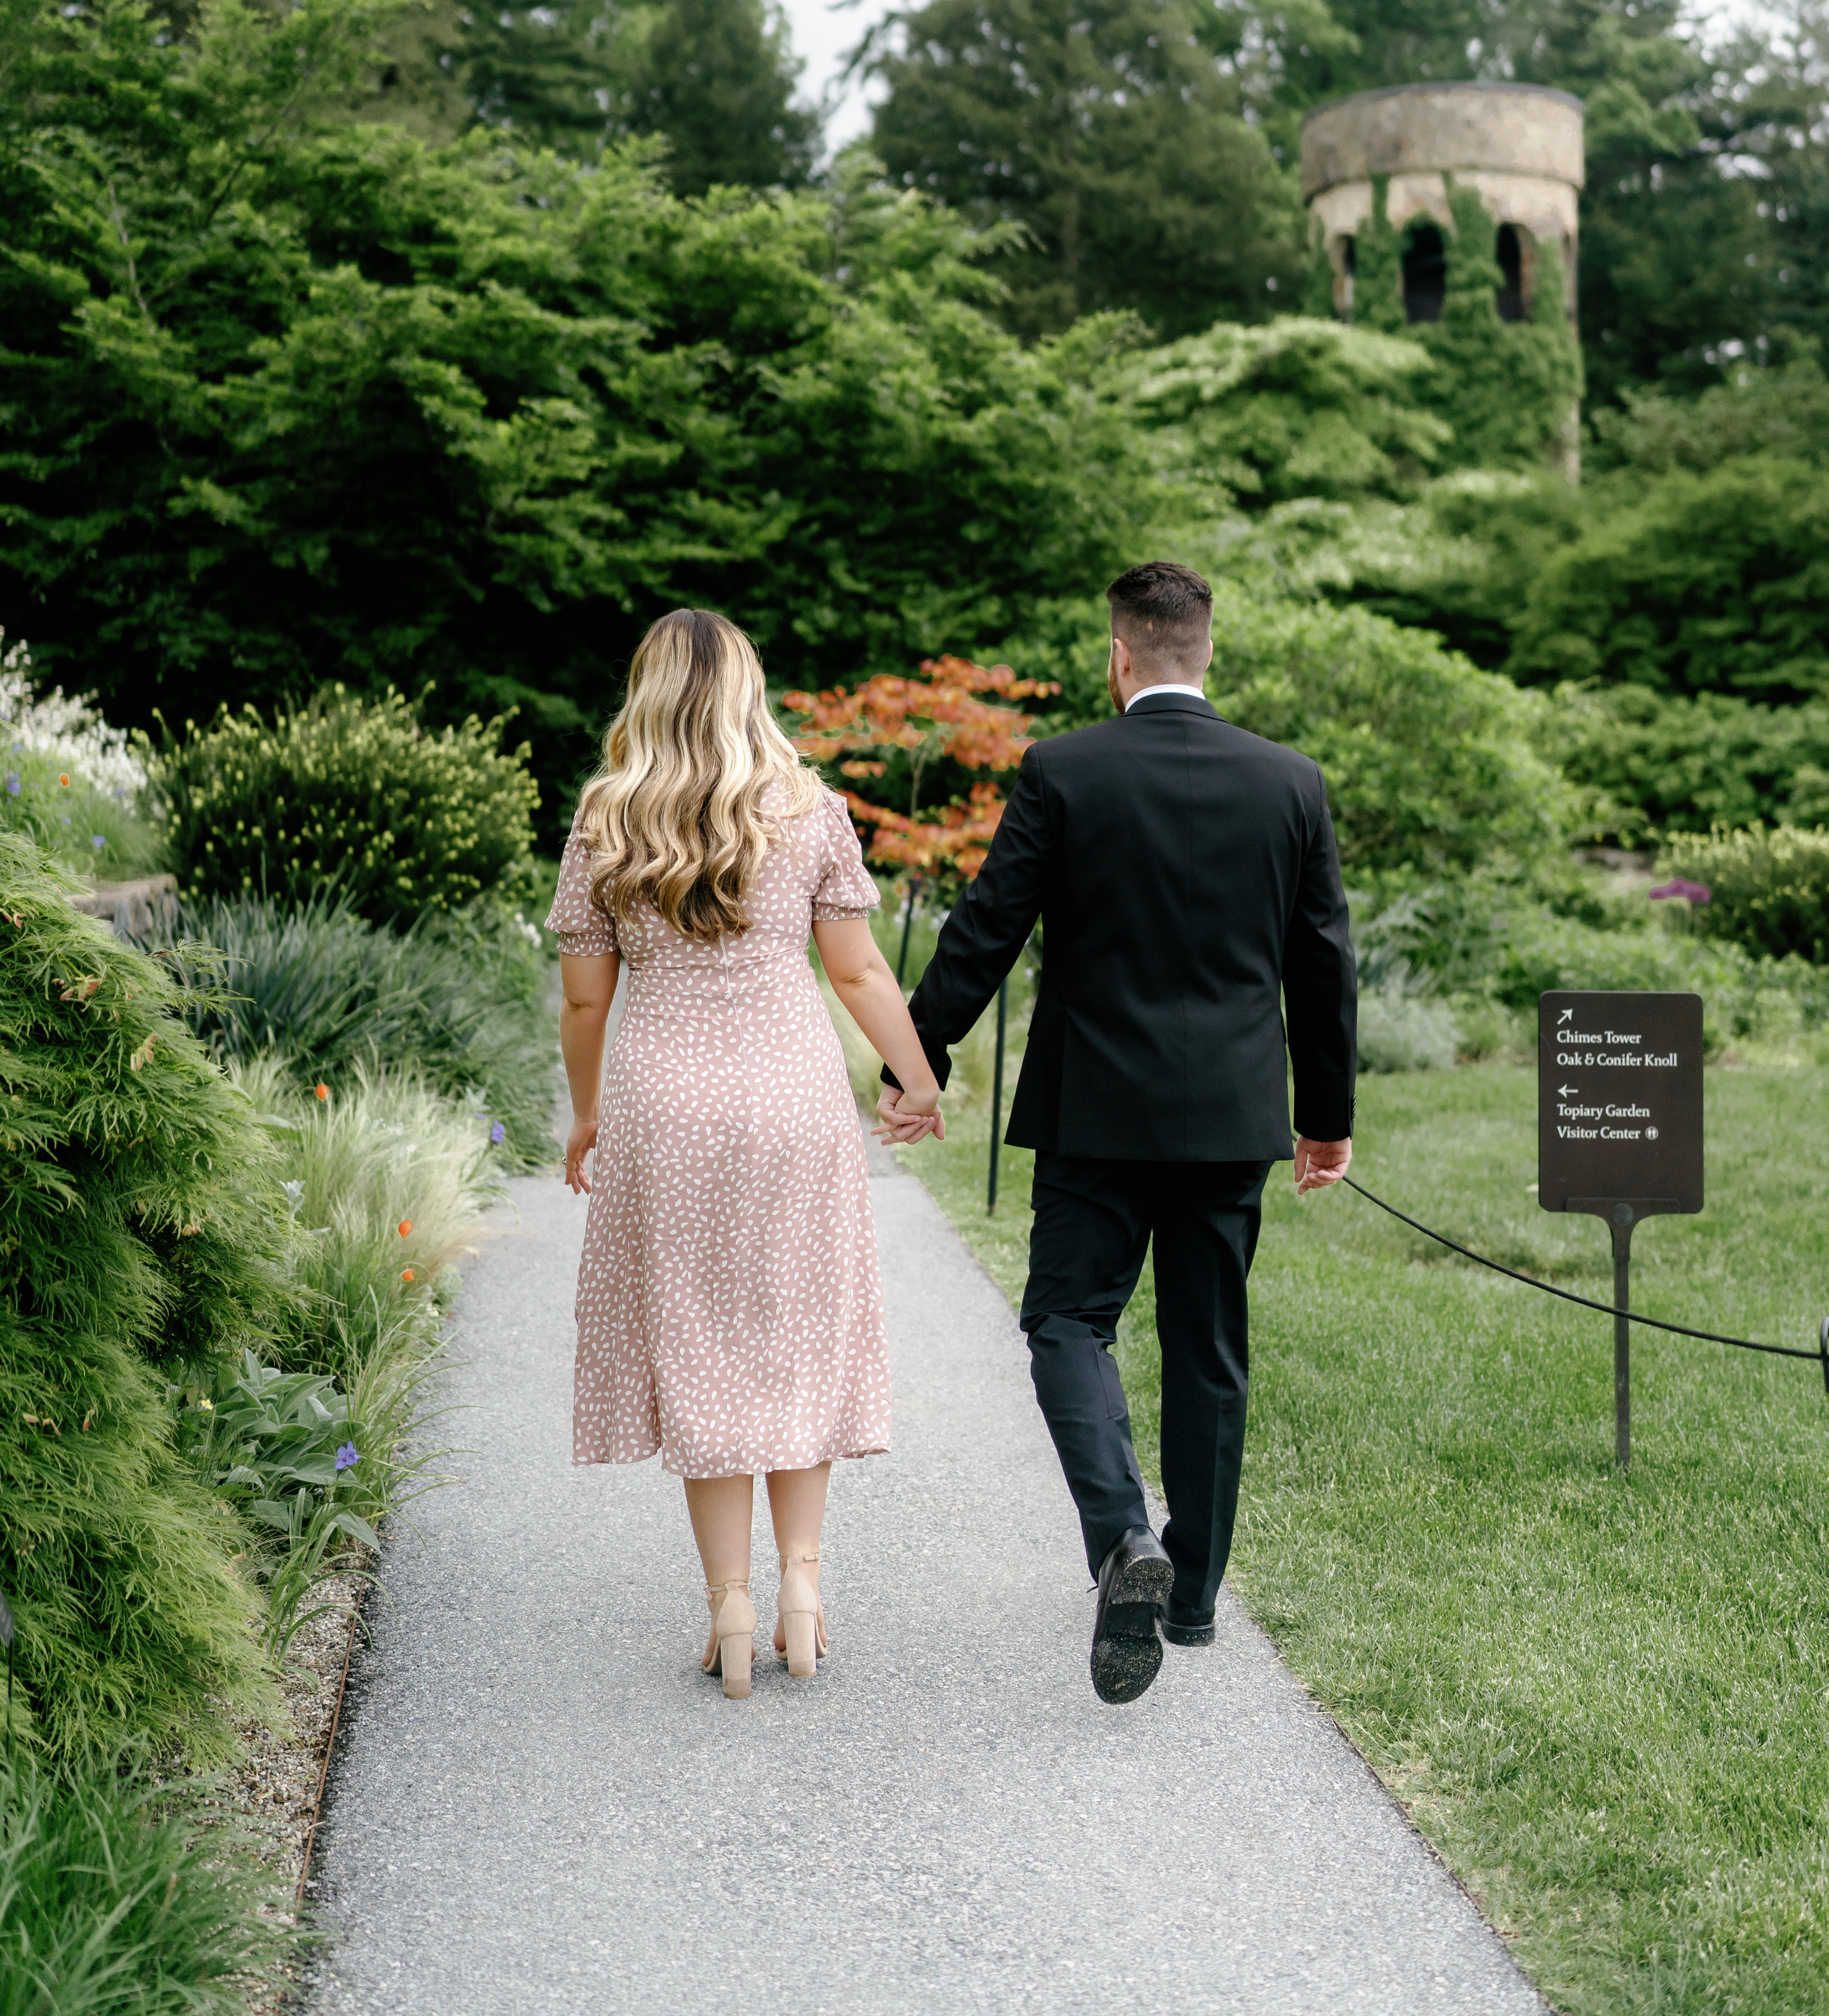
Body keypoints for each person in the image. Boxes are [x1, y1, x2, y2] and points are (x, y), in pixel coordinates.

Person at [881, 560, 1356, 1704]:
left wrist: (920, 1061)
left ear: (1117, 655)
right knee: (1206, 1346)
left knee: (1067, 1320)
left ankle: (1121, 1539)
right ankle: (1188, 1598)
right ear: (1205, 652)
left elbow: (986, 927)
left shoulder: (1064, 771)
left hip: (1092, 1112)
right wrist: (1324, 1120)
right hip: (1231, 1118)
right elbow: (1324, 964)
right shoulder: (1287, 782)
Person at [548, 608, 944, 1700]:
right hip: (791, 1100)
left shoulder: (605, 819)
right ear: (748, 692)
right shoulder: (811, 809)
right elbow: (859, 974)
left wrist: (586, 1116)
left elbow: (587, 999)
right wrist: (915, 1077)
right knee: (797, 1325)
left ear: (648, 692)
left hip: (662, 1102)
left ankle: (728, 1604)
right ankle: (802, 1593)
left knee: (699, 1337)